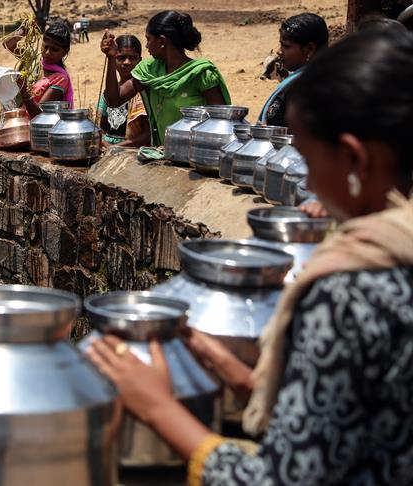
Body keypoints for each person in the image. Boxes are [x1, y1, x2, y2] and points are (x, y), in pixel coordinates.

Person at [86, 29, 413, 486]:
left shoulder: (351, 294)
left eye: (308, 161)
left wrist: (158, 408)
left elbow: (283, 478)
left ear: (355, 162)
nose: (307, 185)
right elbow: (344, 412)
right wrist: (220, 361)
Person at [101, 11, 229, 146]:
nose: (146, 46)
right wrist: (111, 56)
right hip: (164, 154)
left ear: (161, 41)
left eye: (148, 39)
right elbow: (114, 100)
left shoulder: (201, 75)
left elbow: (222, 122)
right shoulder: (149, 70)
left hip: (196, 155)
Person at [258, 13, 328, 127]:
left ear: (309, 49)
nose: (279, 51)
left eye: (286, 46)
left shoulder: (310, 88)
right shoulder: (300, 82)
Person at [5, 16, 74, 118]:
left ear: (65, 52)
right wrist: (23, 30)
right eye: (45, 46)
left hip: (33, 129)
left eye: (54, 50)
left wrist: (25, 94)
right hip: (14, 120)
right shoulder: (33, 60)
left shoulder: (60, 79)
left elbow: (39, 115)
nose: (47, 53)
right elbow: (8, 44)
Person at [97, 35, 149, 147]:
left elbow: (147, 134)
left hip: (132, 151)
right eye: (121, 57)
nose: (126, 62)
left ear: (140, 60)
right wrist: (105, 144)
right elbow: (102, 127)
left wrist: (116, 147)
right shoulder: (109, 93)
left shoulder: (141, 93)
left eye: (132, 58)